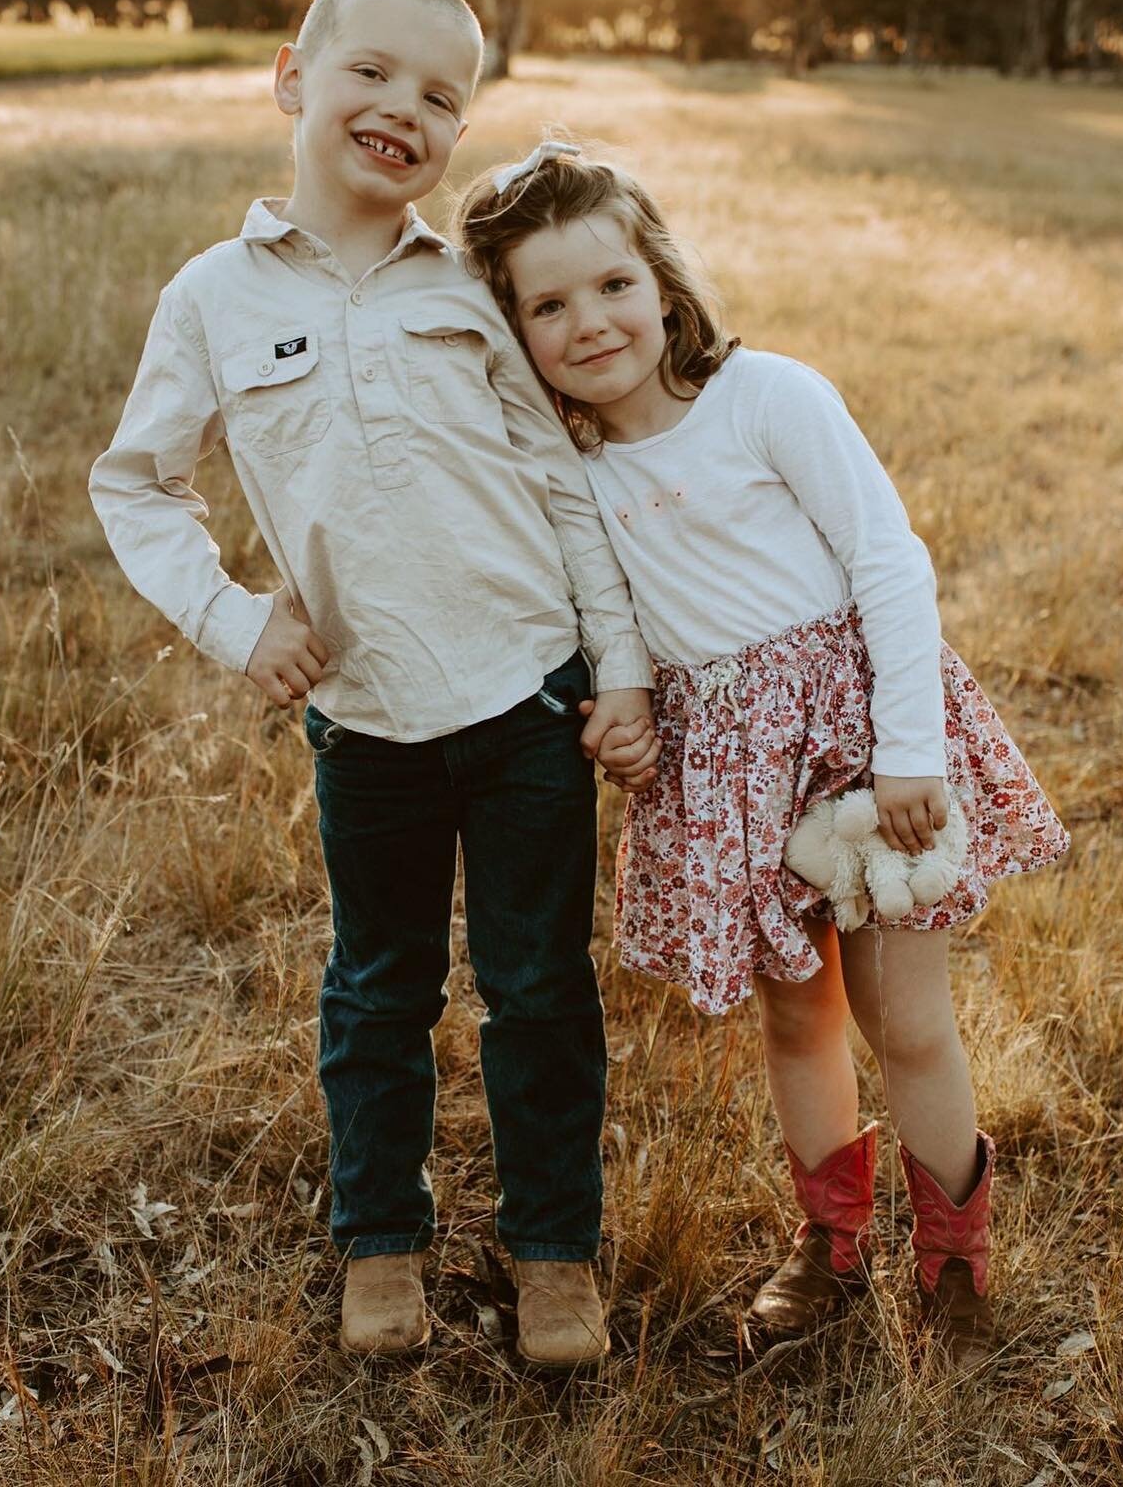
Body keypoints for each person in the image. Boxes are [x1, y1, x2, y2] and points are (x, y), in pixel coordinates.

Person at [89, 0, 658, 1372]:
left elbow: (567, 484)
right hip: (367, 715)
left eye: (441, 94)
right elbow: (139, 485)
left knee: (539, 990)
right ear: (294, 78)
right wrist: (236, 622)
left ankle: (551, 1255)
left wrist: (622, 666)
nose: (402, 108)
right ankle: (380, 1244)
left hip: (530, 698)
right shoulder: (213, 299)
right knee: (378, 990)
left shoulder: (470, 290)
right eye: (375, 75)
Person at [456, 141, 1070, 1365]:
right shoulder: (573, 468)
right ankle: (830, 1244)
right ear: (513, 330)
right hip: (728, 768)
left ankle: (953, 1259)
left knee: (904, 1020)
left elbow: (889, 562)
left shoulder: (769, 397)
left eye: (614, 285)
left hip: (859, 744)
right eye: (549, 304)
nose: (591, 323)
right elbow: (608, 612)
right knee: (798, 1019)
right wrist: (624, 703)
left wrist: (908, 753)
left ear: (665, 284)